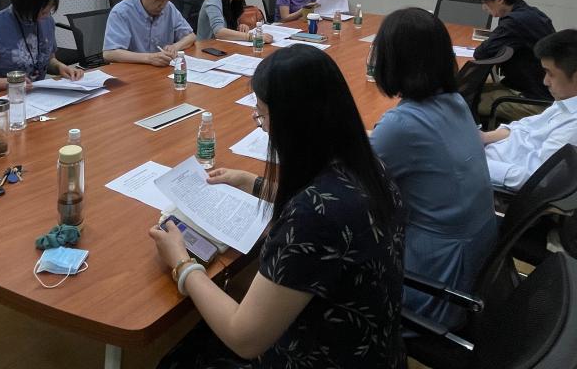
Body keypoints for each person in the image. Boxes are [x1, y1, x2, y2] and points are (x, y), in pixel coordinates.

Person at [150, 45, 406, 369]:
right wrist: (252, 182)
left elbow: (244, 338)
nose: (262, 126)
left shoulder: (313, 218)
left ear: (292, 123)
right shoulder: (367, 165)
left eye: (261, 115)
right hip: (375, 348)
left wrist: (181, 263)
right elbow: (323, 200)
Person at [370, 8, 497, 327]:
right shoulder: (454, 101)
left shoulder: (402, 125)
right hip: (473, 264)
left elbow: (346, 186)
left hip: (434, 286)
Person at [482, 29, 577, 190]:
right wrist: (485, 137)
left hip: (492, 173)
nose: (545, 81)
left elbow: (534, 179)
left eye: (550, 74)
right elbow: (530, 127)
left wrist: (474, 164)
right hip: (496, 156)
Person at [470, 0, 555, 120]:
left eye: (484, 2)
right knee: (473, 88)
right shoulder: (532, 13)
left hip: (535, 102)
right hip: (546, 91)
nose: (483, 7)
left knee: (465, 100)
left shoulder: (514, 22)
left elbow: (481, 53)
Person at [103, 0, 196, 66]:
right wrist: (149, 58)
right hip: (132, 70)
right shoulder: (122, 12)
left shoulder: (169, 7)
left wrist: (175, 47)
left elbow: (190, 36)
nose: (163, 5)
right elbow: (110, 53)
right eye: (159, 0)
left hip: (161, 69)